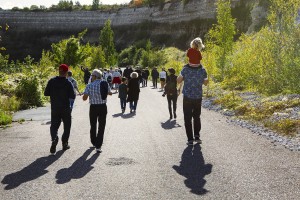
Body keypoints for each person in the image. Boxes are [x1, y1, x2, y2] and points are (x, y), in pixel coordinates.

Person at [44, 64, 75, 154]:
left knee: (54, 126)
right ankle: (64, 143)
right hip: (65, 108)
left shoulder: (52, 81)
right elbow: (72, 96)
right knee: (67, 126)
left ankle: (54, 138)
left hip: (55, 108)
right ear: (66, 73)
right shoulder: (68, 83)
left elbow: (46, 93)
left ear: (59, 71)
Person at [177, 63, 208, 145]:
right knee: (197, 117)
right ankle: (197, 137)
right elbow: (205, 83)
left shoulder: (185, 69)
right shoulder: (202, 70)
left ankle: (190, 139)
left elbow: (178, 81)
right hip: (198, 96)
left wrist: (182, 74)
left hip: (187, 97)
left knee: (187, 118)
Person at [83, 69, 112, 153]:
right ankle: (98, 145)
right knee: (102, 125)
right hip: (103, 106)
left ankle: (94, 141)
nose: (91, 77)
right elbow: (110, 93)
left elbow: (84, 98)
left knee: (93, 124)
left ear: (95, 76)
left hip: (93, 107)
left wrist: (89, 95)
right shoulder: (105, 83)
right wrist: (102, 93)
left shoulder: (89, 85)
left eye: (92, 75)